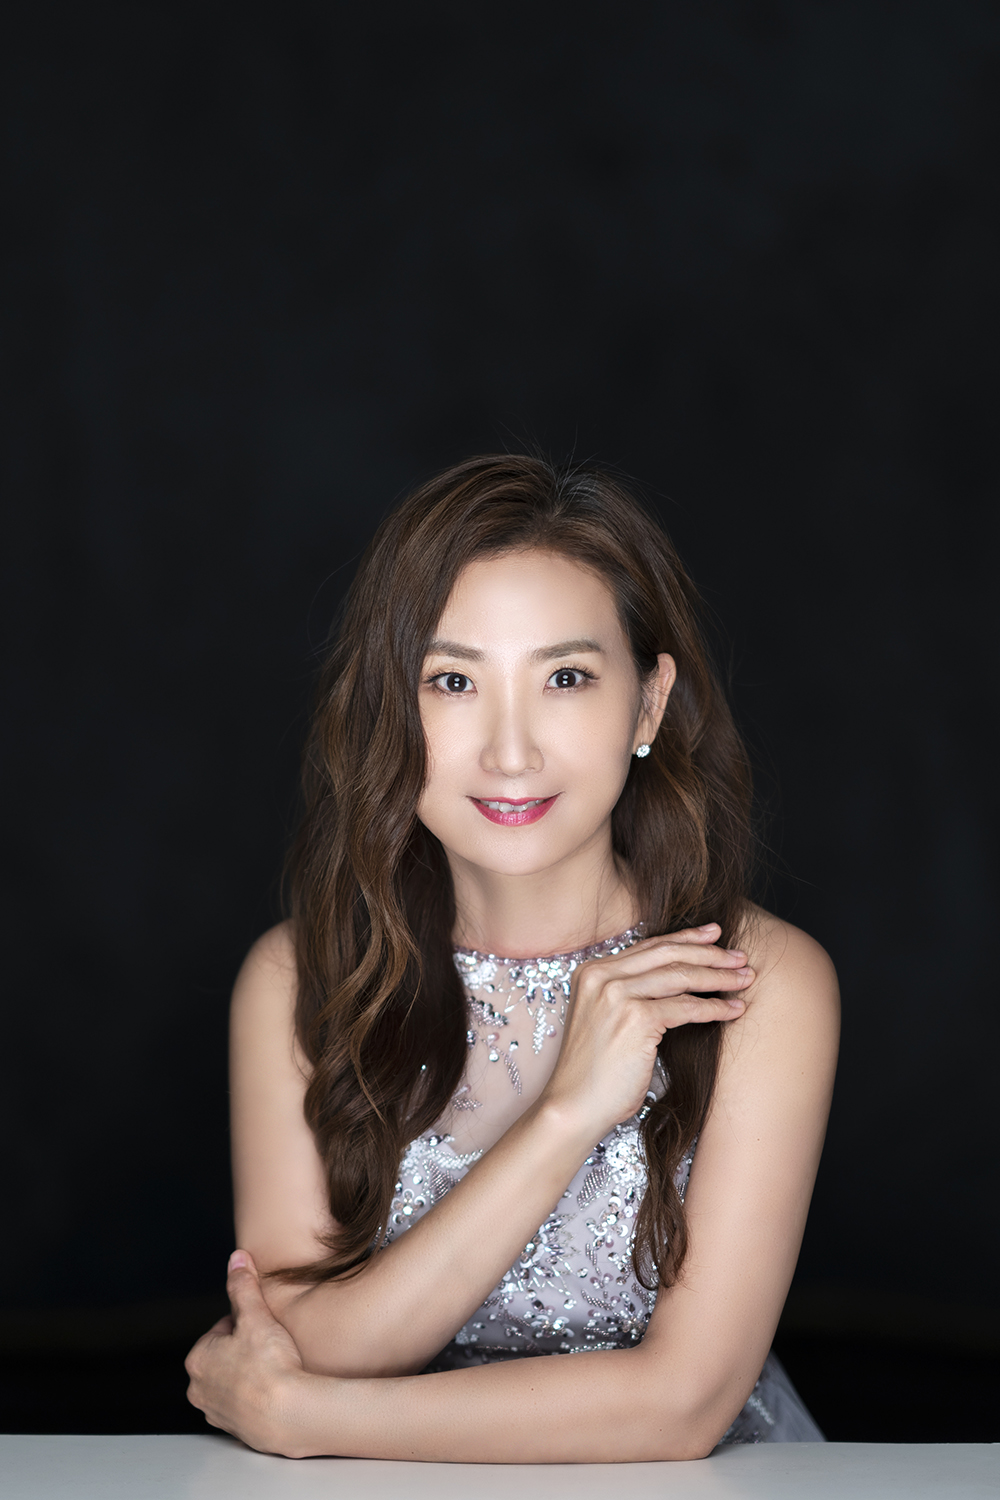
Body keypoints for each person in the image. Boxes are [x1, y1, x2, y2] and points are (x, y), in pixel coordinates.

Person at [185, 454, 840, 1462]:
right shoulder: (299, 981)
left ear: (647, 706)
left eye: (566, 678)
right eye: (451, 681)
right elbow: (302, 1340)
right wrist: (567, 1115)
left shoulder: (761, 984)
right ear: (389, 711)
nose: (510, 752)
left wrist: (311, 1420)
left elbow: (683, 1404)